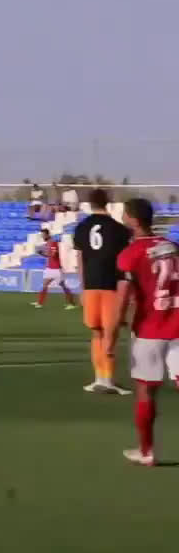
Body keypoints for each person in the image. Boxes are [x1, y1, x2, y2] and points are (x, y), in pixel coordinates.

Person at [113, 199, 179, 466]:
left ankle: (146, 452)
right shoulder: (173, 246)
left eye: (125, 214)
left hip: (149, 330)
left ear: (132, 219)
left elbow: (122, 297)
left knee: (146, 391)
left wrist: (112, 333)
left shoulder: (130, 253)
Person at [73, 188, 132, 395]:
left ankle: (99, 378)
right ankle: (108, 380)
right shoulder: (120, 229)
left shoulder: (81, 227)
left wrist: (83, 288)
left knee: (96, 332)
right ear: (107, 202)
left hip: (90, 286)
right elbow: (125, 262)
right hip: (111, 286)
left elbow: (80, 260)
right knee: (110, 333)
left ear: (90, 204)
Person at [31, 229, 76, 310]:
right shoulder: (48, 244)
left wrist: (47, 253)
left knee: (63, 286)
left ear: (48, 235)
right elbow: (49, 256)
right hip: (50, 268)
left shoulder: (53, 243)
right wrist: (41, 253)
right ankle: (39, 302)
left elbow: (54, 255)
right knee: (45, 285)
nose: (43, 237)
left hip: (56, 269)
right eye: (42, 235)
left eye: (44, 235)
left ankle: (71, 303)